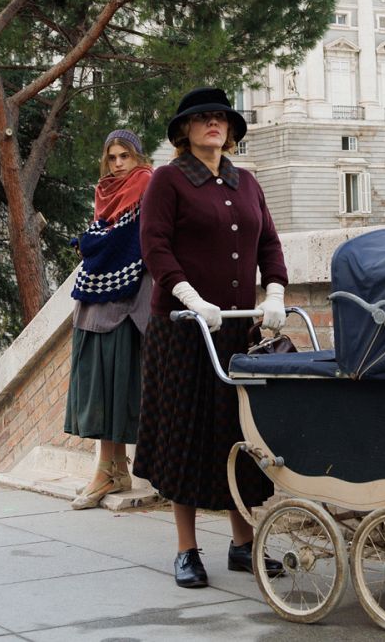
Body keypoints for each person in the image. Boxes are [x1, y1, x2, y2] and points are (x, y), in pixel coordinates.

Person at [136, 87, 288, 589]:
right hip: (184, 329)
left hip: (236, 330)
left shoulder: (247, 183)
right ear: (184, 130)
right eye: (201, 119)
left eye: (220, 118)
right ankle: (186, 549)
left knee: (238, 437)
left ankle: (243, 545)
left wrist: (275, 293)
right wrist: (189, 297)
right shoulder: (168, 181)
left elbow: (267, 239)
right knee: (186, 434)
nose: (212, 125)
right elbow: (155, 246)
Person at [64, 129, 154, 509]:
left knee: (114, 382)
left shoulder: (146, 185)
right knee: (98, 381)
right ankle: (113, 469)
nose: (118, 164)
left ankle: (110, 471)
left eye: (125, 156)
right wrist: (93, 244)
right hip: (99, 294)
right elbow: (104, 239)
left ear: (138, 157)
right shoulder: (104, 192)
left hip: (129, 297)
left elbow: (123, 241)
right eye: (112, 157)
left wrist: (89, 244)